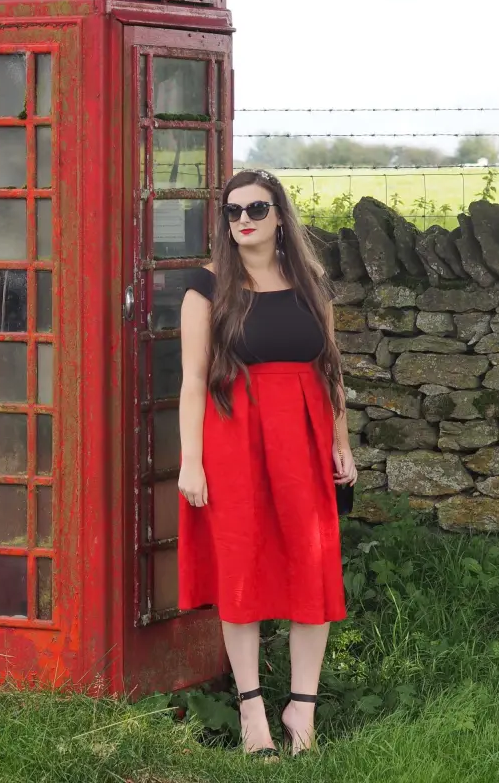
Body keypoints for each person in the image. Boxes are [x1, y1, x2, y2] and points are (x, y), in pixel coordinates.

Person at [177, 169, 358, 758]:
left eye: (256, 208)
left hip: (303, 441)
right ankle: (252, 709)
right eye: (232, 212)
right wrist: (191, 463)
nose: (244, 220)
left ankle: (300, 710)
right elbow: (192, 383)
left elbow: (330, 371)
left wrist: (342, 441)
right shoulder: (206, 290)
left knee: (313, 563)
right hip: (235, 444)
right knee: (243, 567)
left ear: (280, 214)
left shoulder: (312, 285)